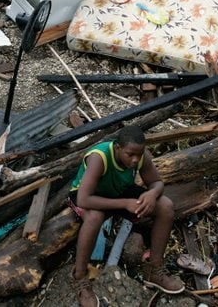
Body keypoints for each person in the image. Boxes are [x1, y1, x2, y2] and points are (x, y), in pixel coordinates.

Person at [68, 125, 184, 307]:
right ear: (118, 148)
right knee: (94, 218)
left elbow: (156, 182)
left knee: (166, 206)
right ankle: (80, 277)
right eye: (130, 155)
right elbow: (83, 199)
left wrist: (152, 194)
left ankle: (154, 269)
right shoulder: (100, 158)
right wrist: (124, 204)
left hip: (118, 192)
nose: (135, 160)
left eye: (139, 154)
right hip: (90, 196)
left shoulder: (139, 156)